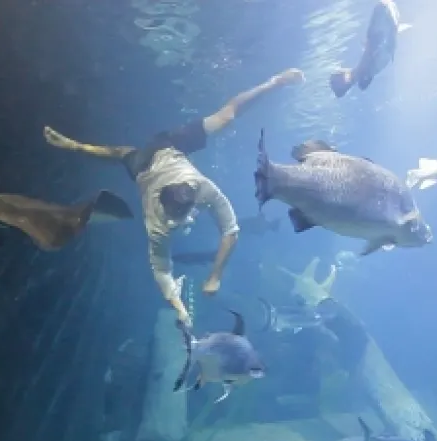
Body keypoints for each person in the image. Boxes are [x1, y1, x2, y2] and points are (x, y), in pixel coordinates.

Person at [42, 68, 305, 326]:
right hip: (147, 166)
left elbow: (231, 230)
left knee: (225, 117)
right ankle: (75, 146)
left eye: (183, 212)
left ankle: (274, 82)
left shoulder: (202, 188)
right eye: (174, 215)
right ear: (162, 205)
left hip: (173, 148)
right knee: (124, 155)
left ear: (193, 200)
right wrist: (179, 307)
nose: (178, 220)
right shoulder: (156, 221)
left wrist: (215, 276)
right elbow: (161, 270)